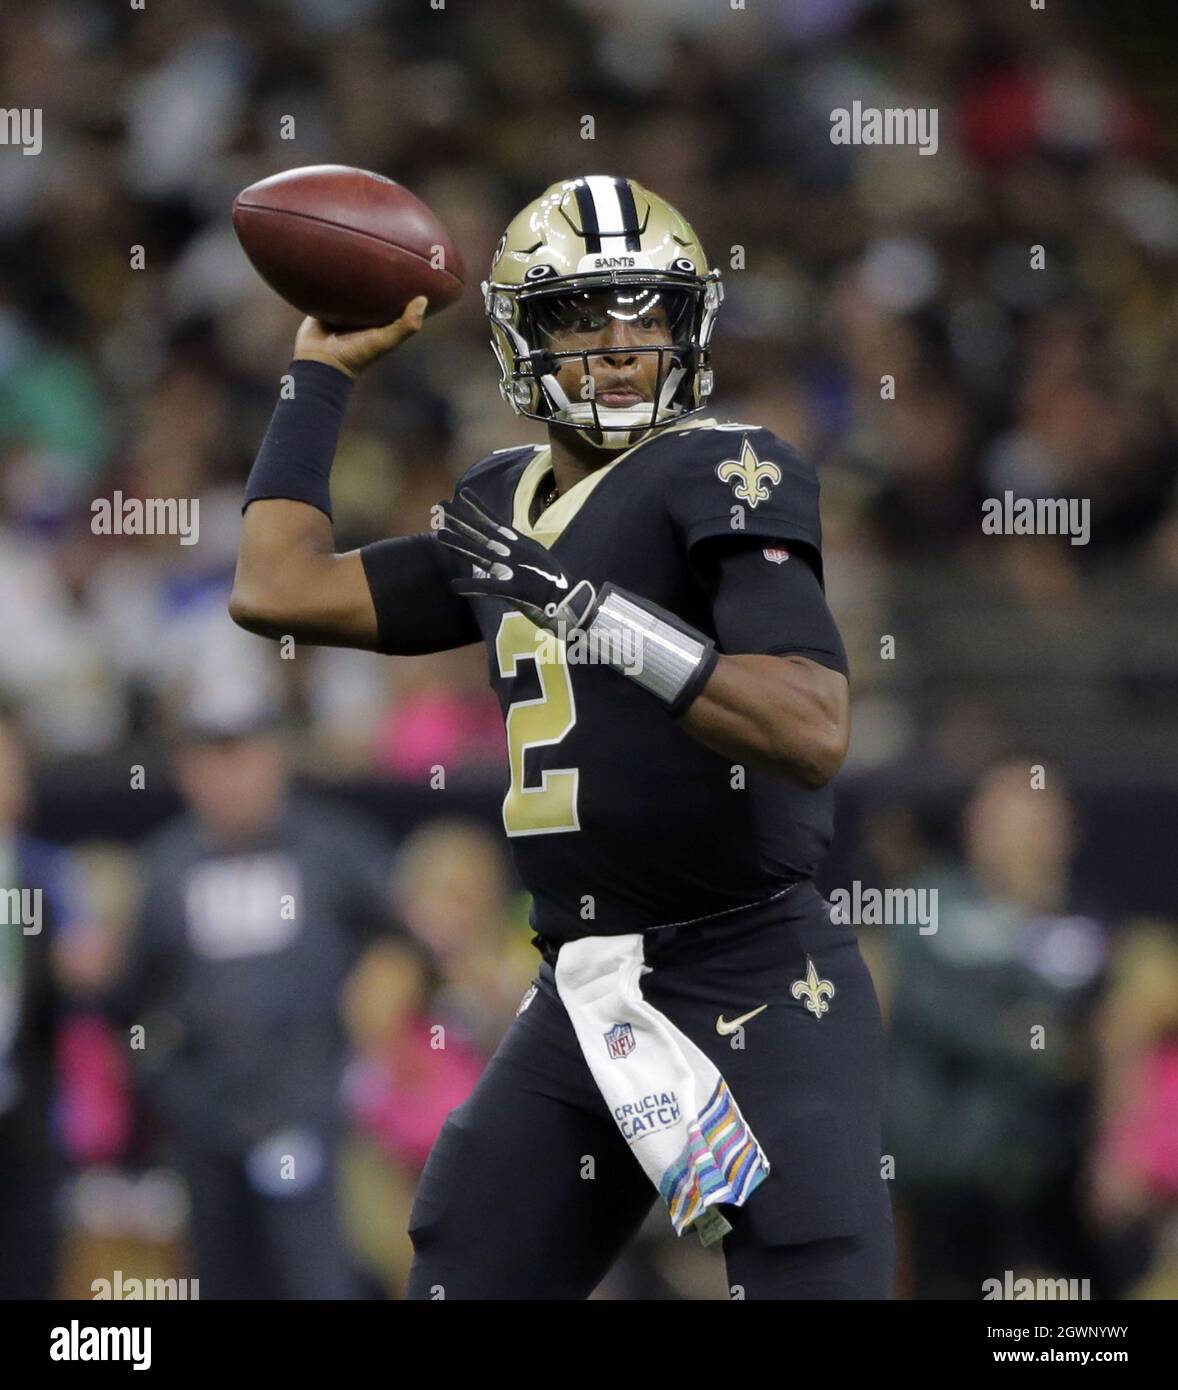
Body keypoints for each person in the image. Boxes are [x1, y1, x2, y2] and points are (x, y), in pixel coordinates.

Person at [231, 176, 893, 1299]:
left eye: (646, 311)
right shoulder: (502, 500)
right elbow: (274, 585)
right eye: (584, 314)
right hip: (586, 984)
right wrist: (318, 379)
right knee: (464, 1260)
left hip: (756, 969)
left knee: (812, 1278)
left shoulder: (727, 467)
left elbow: (811, 725)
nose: (623, 344)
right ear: (519, 333)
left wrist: (586, 608)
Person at [110, 704, 408, 1298]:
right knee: (223, 1279)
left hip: (313, 1112)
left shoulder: (332, 847)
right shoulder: (167, 864)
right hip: (205, 1118)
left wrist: (376, 1022)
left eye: (240, 754)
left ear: (275, 759)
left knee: (317, 1276)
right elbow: (133, 991)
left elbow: (403, 944)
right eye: (208, 760)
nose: (227, 777)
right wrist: (165, 1080)